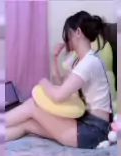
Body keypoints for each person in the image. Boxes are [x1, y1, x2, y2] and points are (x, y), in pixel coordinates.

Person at [6, 11, 112, 148]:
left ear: (78, 32)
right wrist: (54, 58)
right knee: (28, 124)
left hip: (94, 130)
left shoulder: (89, 62)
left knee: (32, 106)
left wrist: (43, 82)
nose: (67, 40)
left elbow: (58, 96)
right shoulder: (81, 61)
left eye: (69, 34)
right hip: (85, 123)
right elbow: (61, 85)